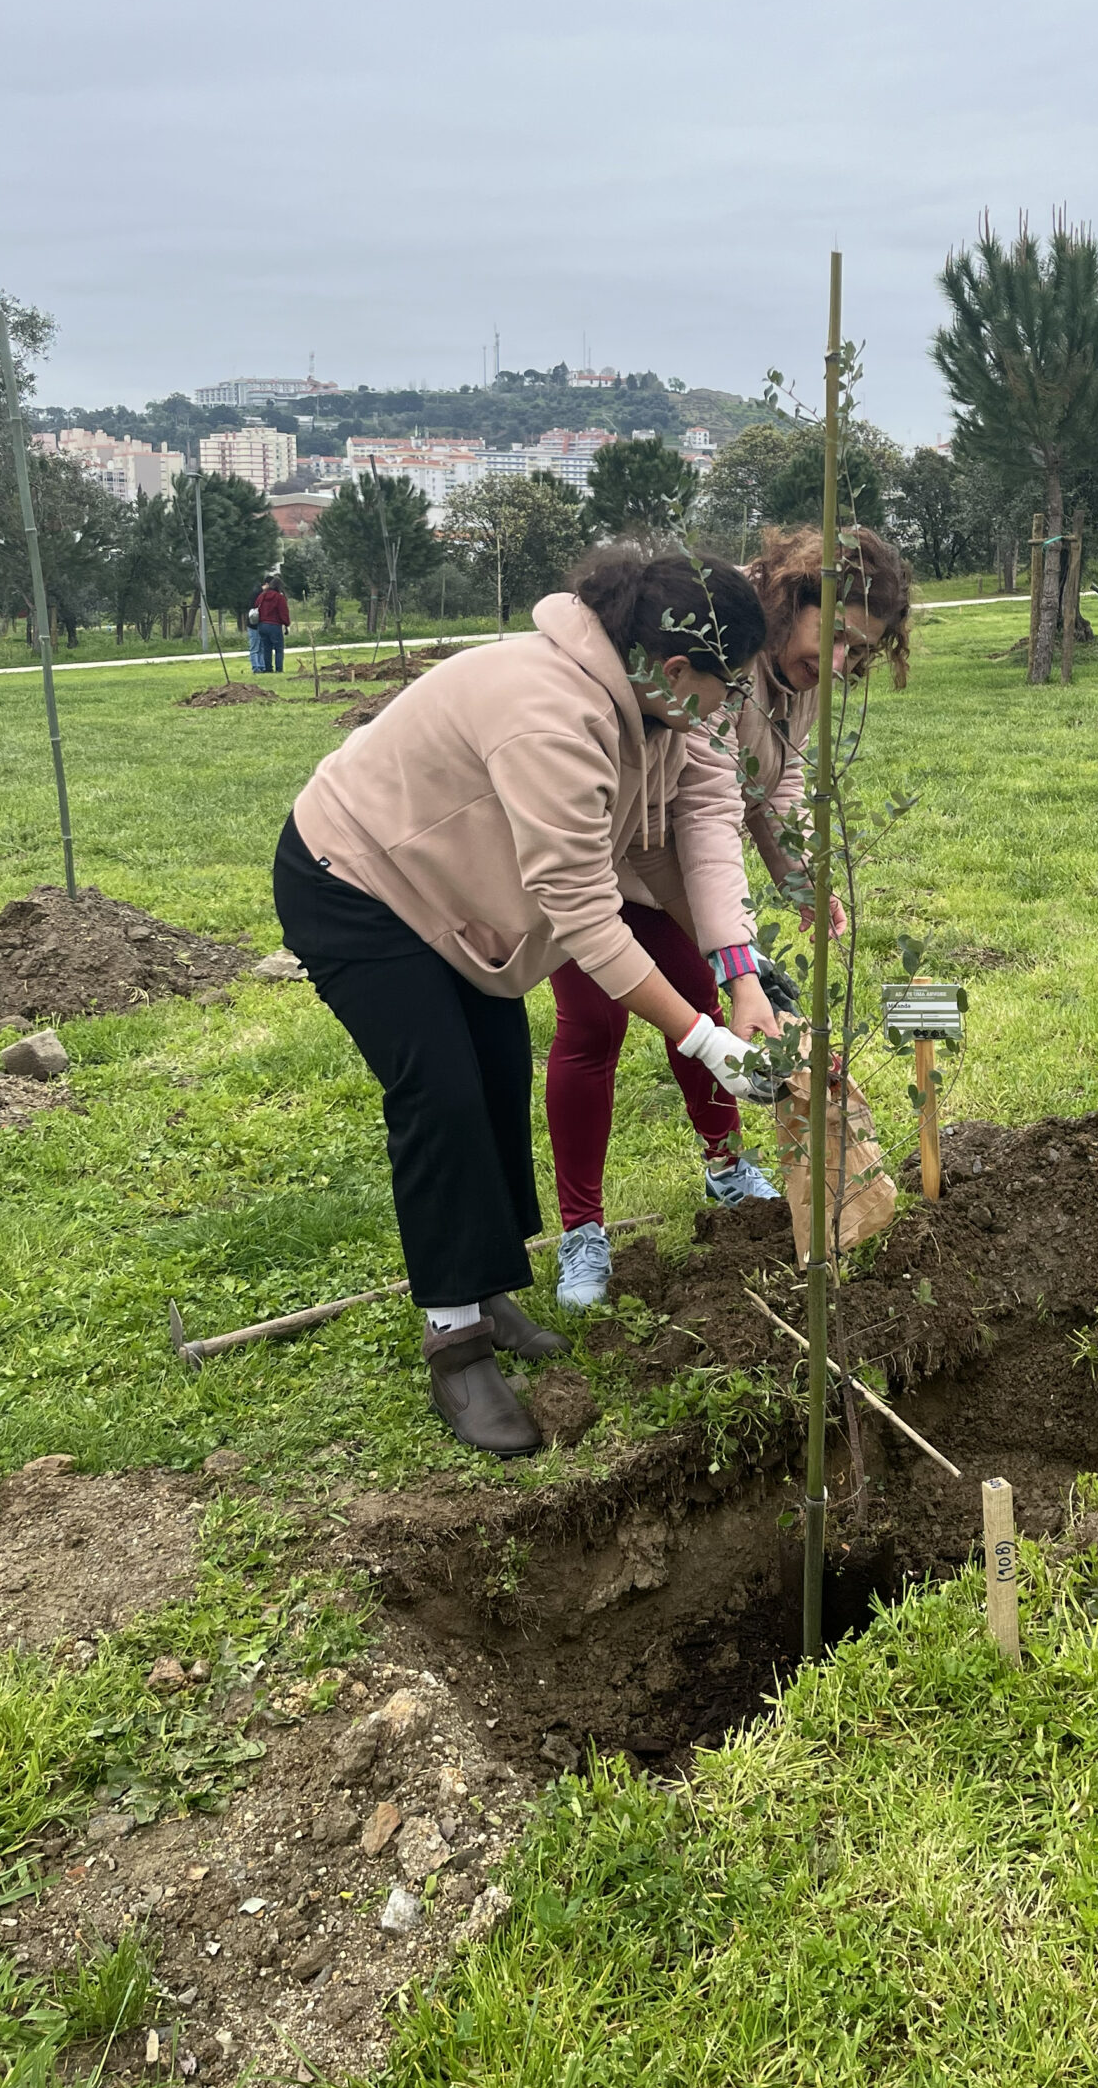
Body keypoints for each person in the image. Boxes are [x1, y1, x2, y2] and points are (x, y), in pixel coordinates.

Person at [273, 548, 770, 1458]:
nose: (735, 708)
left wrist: (740, 969)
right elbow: (584, 906)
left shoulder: (671, 715)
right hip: (357, 882)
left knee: (497, 1076)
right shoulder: (549, 712)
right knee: (442, 1095)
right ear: (673, 669)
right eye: (727, 687)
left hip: (452, 899)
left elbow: (705, 822)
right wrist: (700, 1038)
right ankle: (454, 1342)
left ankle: (488, 1288)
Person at [547, 523, 912, 1306]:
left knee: (708, 1015)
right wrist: (740, 959)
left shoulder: (801, 681)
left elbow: (777, 784)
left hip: (670, 875)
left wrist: (800, 874)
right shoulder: (722, 659)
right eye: (838, 639)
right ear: (793, 598)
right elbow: (708, 811)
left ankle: (723, 1166)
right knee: (595, 1026)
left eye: (862, 653)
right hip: (594, 862)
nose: (842, 664)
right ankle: (582, 1229)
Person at [254, 573, 290, 673]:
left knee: (266, 648)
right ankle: (279, 669)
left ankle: (268, 668)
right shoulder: (279, 598)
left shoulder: (262, 596)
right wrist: (286, 623)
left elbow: (256, 606)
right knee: (278, 648)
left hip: (262, 625)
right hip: (274, 625)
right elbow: (283, 612)